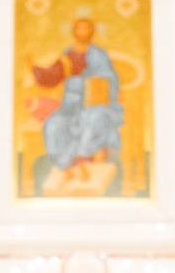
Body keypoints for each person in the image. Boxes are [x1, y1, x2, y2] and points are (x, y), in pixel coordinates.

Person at [30, 17, 123, 187]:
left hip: (97, 104)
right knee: (54, 124)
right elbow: (53, 76)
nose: (82, 32)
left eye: (86, 28)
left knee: (93, 119)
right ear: (74, 32)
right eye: (79, 28)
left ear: (92, 31)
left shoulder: (99, 54)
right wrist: (34, 68)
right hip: (70, 104)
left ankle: (84, 163)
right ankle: (67, 167)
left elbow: (110, 79)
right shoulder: (67, 54)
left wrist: (90, 84)